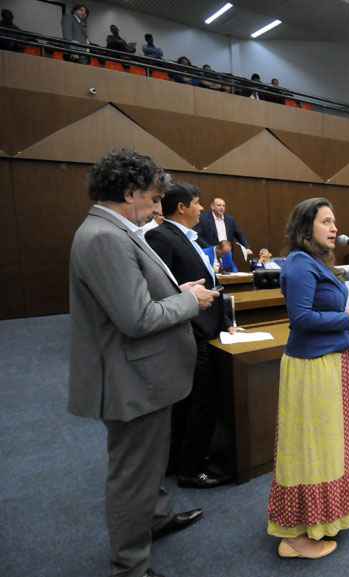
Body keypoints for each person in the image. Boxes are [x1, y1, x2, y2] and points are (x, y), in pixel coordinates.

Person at [68, 150, 218, 577]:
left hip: (146, 374)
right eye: (153, 200)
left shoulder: (118, 230)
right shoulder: (104, 237)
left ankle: (154, 519)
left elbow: (138, 296)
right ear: (129, 192)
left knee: (151, 463)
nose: (157, 209)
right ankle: (130, 565)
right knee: (133, 474)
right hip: (130, 378)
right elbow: (136, 319)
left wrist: (177, 291)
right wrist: (189, 301)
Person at [267, 197, 349, 560]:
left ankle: (324, 516)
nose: (334, 228)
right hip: (311, 367)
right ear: (305, 227)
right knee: (310, 447)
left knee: (329, 445)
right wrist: (348, 318)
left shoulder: (316, 264)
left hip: (331, 362)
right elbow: (302, 319)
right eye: (326, 221)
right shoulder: (298, 266)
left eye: (335, 221)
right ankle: (295, 535)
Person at [145, 182, 234, 489]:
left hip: (206, 328)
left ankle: (182, 459)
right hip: (190, 331)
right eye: (197, 203)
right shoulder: (161, 237)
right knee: (197, 403)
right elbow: (159, 290)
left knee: (196, 402)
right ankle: (191, 468)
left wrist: (225, 322)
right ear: (182, 207)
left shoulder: (190, 238)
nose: (201, 208)